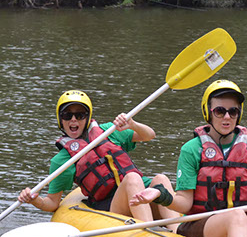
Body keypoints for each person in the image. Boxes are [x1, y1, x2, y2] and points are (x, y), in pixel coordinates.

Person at [130, 80, 247, 237]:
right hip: (201, 225)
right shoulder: (191, 149)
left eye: (233, 111)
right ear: (208, 112)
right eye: (219, 111)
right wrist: (161, 194)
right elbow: (185, 203)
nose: (227, 117)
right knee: (236, 216)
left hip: (243, 219)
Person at [18, 90, 178, 228]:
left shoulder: (109, 131)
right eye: (67, 115)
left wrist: (132, 124)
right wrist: (35, 200)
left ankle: (178, 231)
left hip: (142, 196)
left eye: (80, 115)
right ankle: (148, 232)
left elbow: (149, 135)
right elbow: (52, 203)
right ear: (61, 119)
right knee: (132, 178)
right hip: (114, 206)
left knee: (161, 179)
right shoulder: (62, 160)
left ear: (87, 117)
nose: (73, 119)